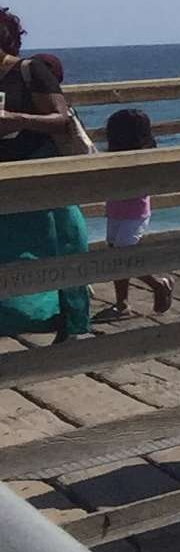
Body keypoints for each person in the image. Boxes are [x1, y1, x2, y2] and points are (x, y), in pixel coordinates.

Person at [0, 55, 94, 342]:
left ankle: (70, 325)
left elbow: (61, 119)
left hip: (43, 176)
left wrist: (17, 120)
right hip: (7, 181)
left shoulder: (30, 70)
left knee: (63, 246)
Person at [97, 110, 175, 321]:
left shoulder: (142, 156)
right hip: (115, 209)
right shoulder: (113, 156)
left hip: (135, 212)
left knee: (123, 254)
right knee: (115, 253)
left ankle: (158, 284)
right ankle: (121, 303)